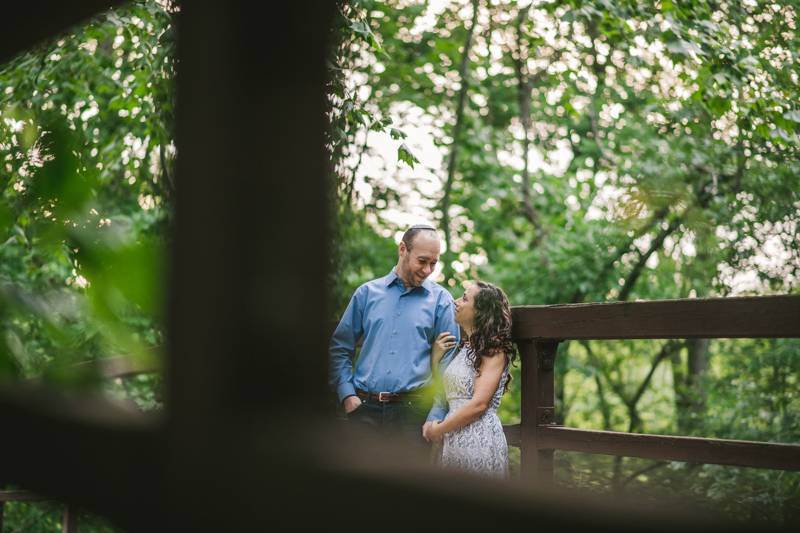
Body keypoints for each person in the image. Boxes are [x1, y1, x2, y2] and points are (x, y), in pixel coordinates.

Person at [328, 224, 460, 455]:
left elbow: (449, 363)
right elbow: (339, 347)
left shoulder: (442, 301)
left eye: (434, 263)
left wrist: (436, 413)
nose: (428, 269)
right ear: (402, 250)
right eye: (422, 261)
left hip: (415, 416)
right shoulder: (366, 294)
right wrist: (347, 395)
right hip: (364, 409)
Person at [424, 280, 516, 478]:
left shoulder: (494, 351)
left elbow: (479, 405)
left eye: (464, 298)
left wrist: (437, 429)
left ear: (480, 312)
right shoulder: (465, 348)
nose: (456, 302)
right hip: (454, 438)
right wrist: (435, 360)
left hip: (477, 437)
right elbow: (447, 390)